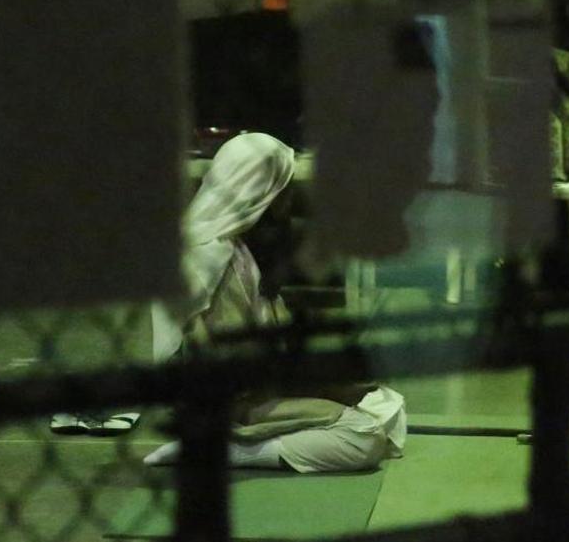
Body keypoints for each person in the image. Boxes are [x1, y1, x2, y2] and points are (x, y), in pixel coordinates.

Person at [145, 132, 406, 473]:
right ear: (260, 191)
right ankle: (222, 451)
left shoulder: (235, 245)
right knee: (363, 435)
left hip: (256, 391)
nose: (289, 201)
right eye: (282, 189)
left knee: (388, 406)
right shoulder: (209, 257)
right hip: (228, 405)